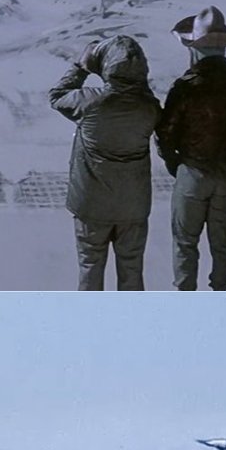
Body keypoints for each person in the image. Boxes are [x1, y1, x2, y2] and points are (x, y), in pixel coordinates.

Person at [156, 7, 226, 291]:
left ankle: (186, 299)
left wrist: (175, 163)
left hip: (191, 172)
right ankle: (220, 299)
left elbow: (165, 133)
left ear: (193, 48)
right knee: (223, 243)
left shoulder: (186, 87)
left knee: (185, 242)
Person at [49, 35, 161, 290]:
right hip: (133, 207)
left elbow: (56, 96)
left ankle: (92, 325)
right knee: (132, 271)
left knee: (90, 267)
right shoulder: (150, 108)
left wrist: (81, 67)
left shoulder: (89, 101)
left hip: (91, 205)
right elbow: (146, 101)